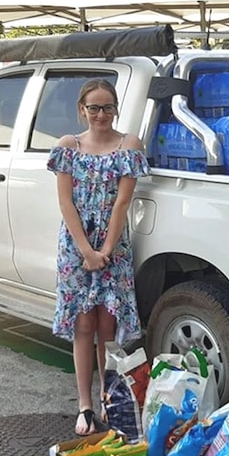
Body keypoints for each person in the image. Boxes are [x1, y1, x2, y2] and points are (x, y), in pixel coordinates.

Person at [47, 79, 150, 436]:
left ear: (116, 108)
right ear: (82, 109)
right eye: (94, 108)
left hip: (113, 247)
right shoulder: (67, 147)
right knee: (83, 326)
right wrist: (86, 251)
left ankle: (109, 398)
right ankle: (85, 405)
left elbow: (123, 202)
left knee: (107, 327)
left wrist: (105, 250)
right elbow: (66, 203)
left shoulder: (128, 145)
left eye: (107, 107)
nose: (101, 114)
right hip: (75, 249)